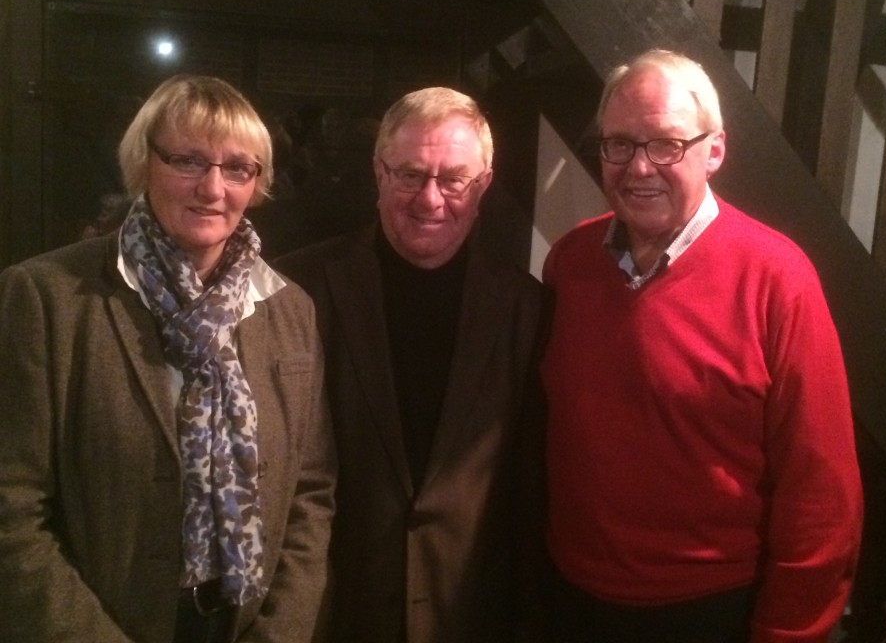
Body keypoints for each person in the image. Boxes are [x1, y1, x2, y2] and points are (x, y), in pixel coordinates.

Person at [539, 49, 863, 642]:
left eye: (665, 145)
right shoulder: (570, 261)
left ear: (714, 150)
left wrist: (790, 633)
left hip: (712, 614)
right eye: (619, 144)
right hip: (572, 601)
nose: (639, 168)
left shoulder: (778, 279)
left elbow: (822, 492)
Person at [0, 74, 336, 643]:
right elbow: (12, 508)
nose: (213, 187)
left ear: (257, 183)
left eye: (238, 168)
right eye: (187, 160)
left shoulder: (288, 308)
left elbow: (310, 490)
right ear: (143, 164)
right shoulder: (45, 296)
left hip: (240, 625)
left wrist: (279, 634)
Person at [275, 86, 544, 643]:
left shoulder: (528, 307)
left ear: (484, 185)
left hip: (472, 615)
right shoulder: (295, 291)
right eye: (411, 175)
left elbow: (531, 485)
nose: (430, 199)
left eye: (453, 179)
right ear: (378, 172)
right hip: (331, 612)